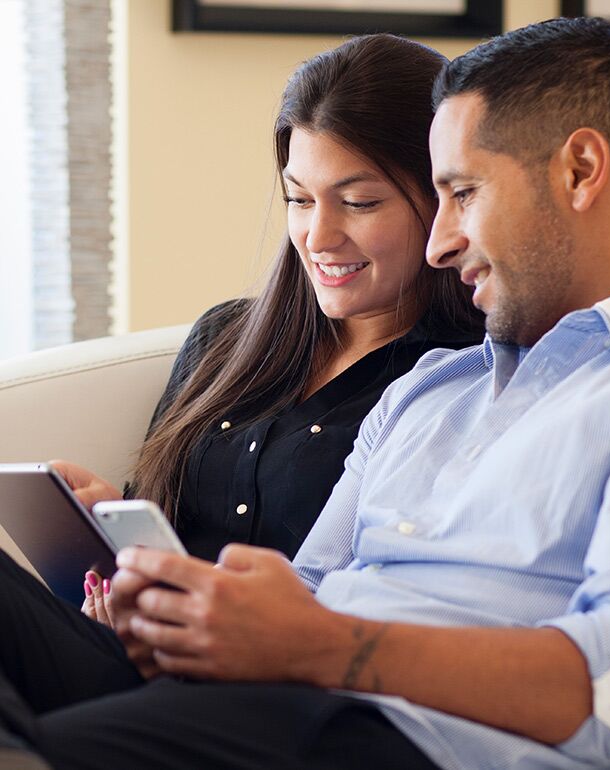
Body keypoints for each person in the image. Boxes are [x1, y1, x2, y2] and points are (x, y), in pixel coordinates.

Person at [1, 15, 610, 770]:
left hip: (399, 739)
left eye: (463, 193)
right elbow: (302, 595)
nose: (440, 242)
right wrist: (188, 613)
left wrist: (323, 645)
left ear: (579, 171)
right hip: (273, 704)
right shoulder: (435, 387)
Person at [52, 33, 483, 619]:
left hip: (258, 689)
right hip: (128, 649)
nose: (318, 237)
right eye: (299, 199)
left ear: (444, 200)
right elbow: (158, 530)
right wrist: (108, 530)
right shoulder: (224, 339)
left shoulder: (461, 380)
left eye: (357, 202)